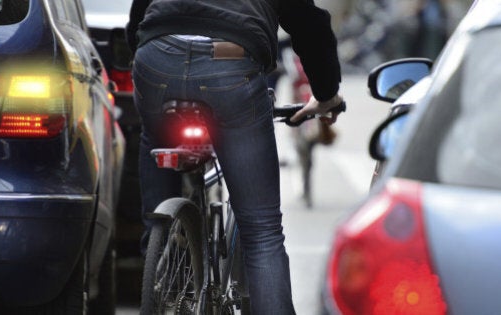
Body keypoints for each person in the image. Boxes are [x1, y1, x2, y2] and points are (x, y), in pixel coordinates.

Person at [126, 0, 344, 313]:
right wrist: (326, 95)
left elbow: (139, 14)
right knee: (261, 229)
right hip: (230, 65)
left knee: (155, 138)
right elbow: (309, 24)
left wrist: (147, 50)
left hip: (157, 57)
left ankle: (159, 242)